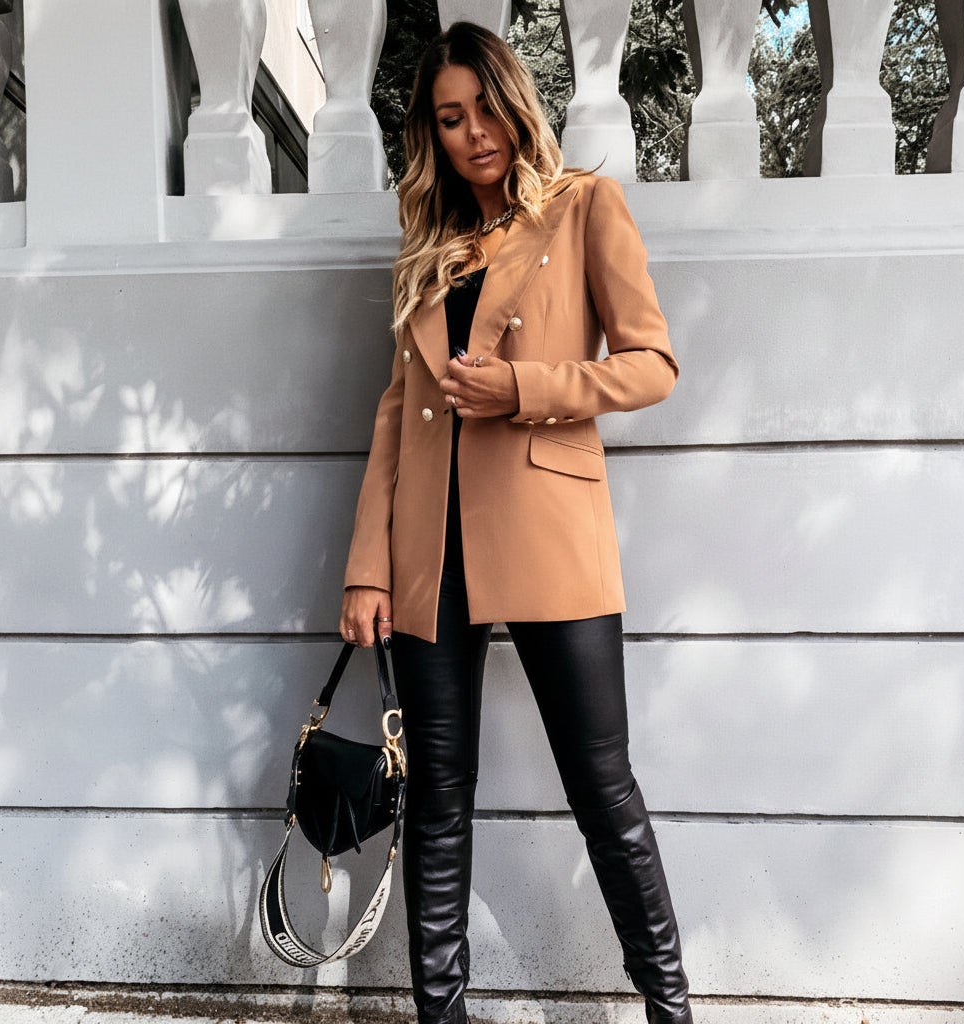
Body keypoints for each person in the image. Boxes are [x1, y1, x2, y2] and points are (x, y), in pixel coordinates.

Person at [339, 21, 692, 1024]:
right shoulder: (428, 245)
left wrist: (524, 389)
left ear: (514, 102)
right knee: (437, 800)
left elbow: (653, 365)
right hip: (428, 552)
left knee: (603, 790)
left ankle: (670, 1011)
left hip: (547, 533)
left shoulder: (583, 207)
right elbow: (395, 416)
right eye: (450, 119)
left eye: (485, 108)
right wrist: (367, 567)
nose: (473, 134)